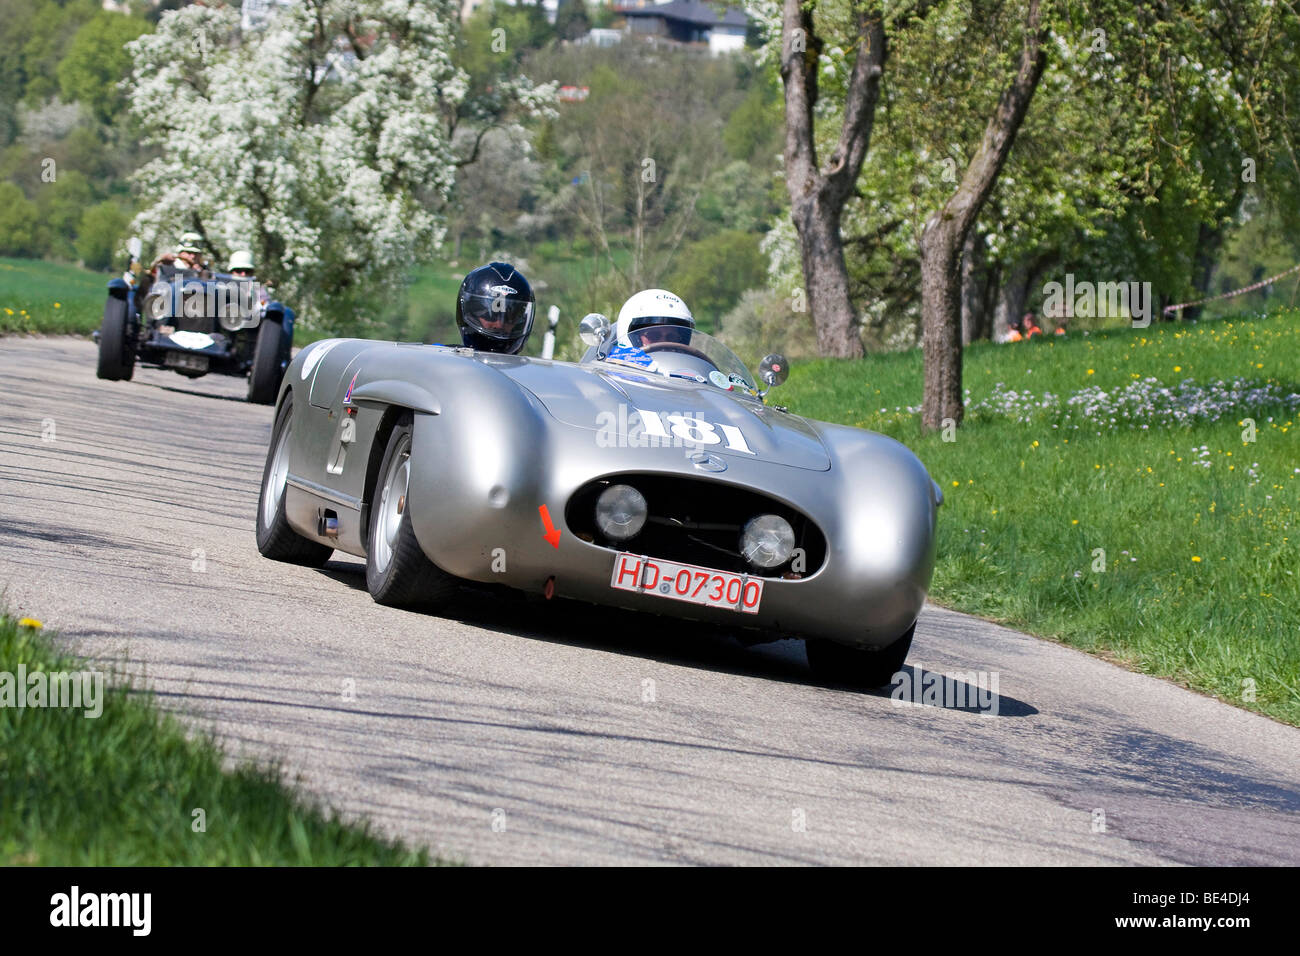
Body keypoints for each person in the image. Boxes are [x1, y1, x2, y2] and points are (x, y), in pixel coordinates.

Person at [455, 262, 535, 354]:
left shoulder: (528, 367)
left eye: (509, 318)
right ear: (471, 314)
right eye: (489, 316)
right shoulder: (440, 360)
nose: (499, 325)